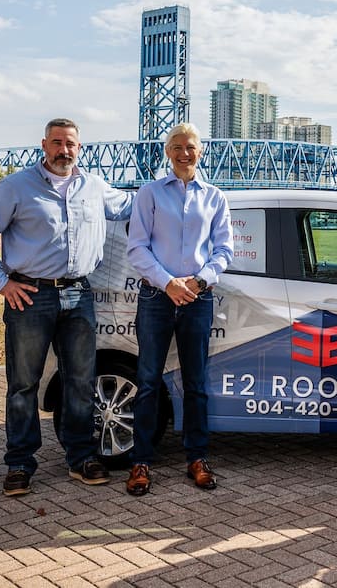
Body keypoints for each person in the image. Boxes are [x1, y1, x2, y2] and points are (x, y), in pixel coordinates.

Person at [0, 118, 133, 497]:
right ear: (44, 145)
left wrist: (181, 187)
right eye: (57, 142)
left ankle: (80, 456)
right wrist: (1, 282)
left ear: (80, 147)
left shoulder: (94, 187)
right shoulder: (17, 187)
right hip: (31, 296)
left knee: (80, 381)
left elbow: (133, 207)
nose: (64, 150)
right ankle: (20, 463)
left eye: (70, 143)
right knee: (23, 385)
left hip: (79, 295)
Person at [124, 122, 233, 496]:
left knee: (196, 382)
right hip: (157, 297)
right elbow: (137, 247)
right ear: (167, 152)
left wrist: (198, 281)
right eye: (177, 147)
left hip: (198, 297)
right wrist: (168, 282)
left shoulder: (215, 197)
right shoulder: (150, 193)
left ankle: (197, 458)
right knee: (149, 381)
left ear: (200, 151)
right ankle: (140, 461)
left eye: (191, 147)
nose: (184, 153)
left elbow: (224, 250)